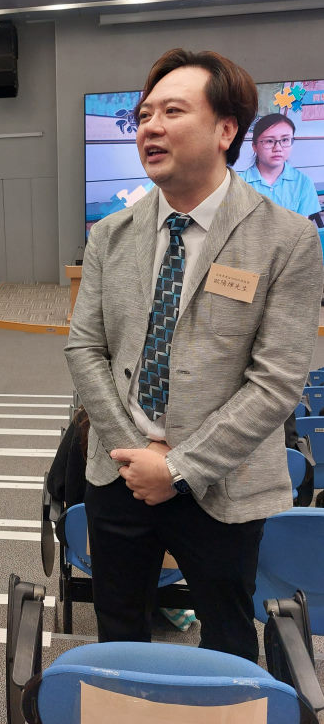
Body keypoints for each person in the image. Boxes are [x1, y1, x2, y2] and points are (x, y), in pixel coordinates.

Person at [65, 48, 323, 663]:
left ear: (226, 130)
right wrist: (136, 453)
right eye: (144, 115)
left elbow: (278, 381)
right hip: (120, 473)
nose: (150, 127)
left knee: (228, 639)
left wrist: (178, 467)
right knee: (118, 636)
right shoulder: (111, 234)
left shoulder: (287, 238)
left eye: (172, 112)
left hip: (224, 480)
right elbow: (85, 347)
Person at [238, 113, 321, 217]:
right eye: (269, 141)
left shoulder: (303, 183)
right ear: (255, 146)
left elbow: (302, 225)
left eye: (285, 140)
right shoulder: (239, 184)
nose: (278, 148)